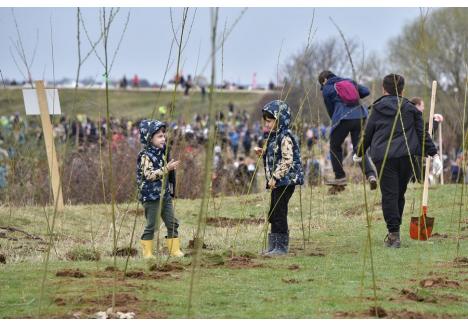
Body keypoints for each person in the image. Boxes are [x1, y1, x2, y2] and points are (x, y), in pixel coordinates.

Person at [355, 74, 442, 248]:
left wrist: (359, 152)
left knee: (389, 195)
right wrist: (434, 153)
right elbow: (421, 133)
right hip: (407, 157)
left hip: (385, 158)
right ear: (402, 89)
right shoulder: (411, 109)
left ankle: (394, 235)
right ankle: (395, 231)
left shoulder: (377, 109)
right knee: (398, 194)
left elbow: (368, 133)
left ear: (383, 88)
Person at [254, 100, 304, 255]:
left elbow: (287, 160)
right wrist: (263, 152)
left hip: (285, 181)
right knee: (274, 211)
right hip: (277, 182)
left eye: (270, 121)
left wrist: (275, 177)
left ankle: (281, 247)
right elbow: (276, 155)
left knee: (279, 211)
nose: (267, 124)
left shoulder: (285, 137)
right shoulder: (273, 137)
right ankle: (273, 246)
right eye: (266, 121)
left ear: (280, 120)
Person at [318, 70, 377, 189]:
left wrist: (335, 121)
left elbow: (330, 110)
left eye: (322, 84)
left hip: (343, 118)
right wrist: (353, 93)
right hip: (360, 116)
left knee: (335, 146)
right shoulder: (349, 81)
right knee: (359, 148)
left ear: (324, 80)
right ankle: (371, 175)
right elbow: (366, 91)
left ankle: (340, 177)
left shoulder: (327, 88)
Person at [137, 120, 183, 258]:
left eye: (164, 135)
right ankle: (147, 253)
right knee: (152, 225)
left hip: (165, 195)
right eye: (159, 136)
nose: (163, 138)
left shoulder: (163, 153)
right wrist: (166, 169)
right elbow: (149, 175)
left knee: (172, 223)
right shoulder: (145, 156)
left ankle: (174, 250)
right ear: (149, 138)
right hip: (151, 197)